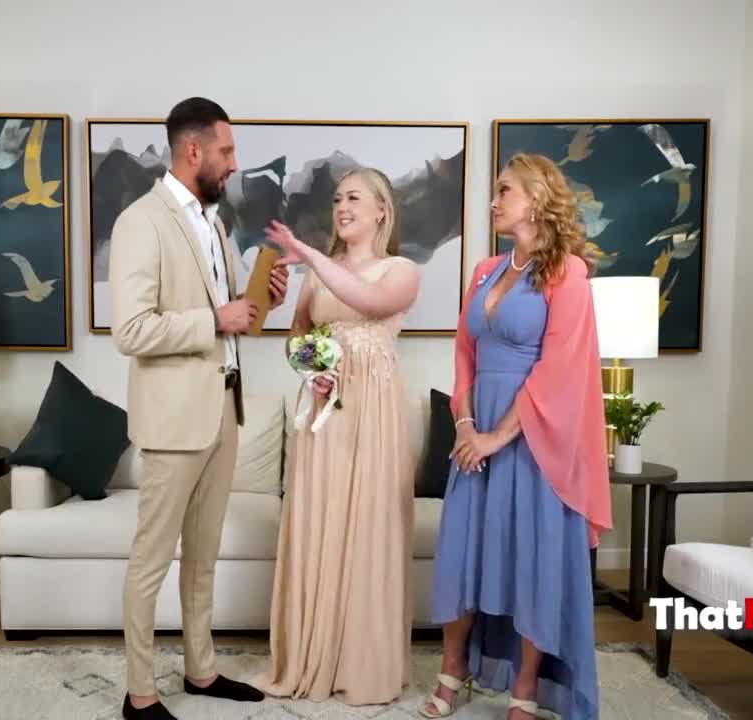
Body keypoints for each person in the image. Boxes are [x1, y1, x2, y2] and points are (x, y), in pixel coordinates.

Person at [109, 96, 290, 720]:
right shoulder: (141, 222)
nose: (234, 163)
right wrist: (216, 317)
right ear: (194, 151)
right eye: (227, 151)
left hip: (222, 411)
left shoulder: (214, 224)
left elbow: (232, 321)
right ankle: (139, 694)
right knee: (151, 560)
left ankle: (201, 671)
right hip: (172, 423)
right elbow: (131, 330)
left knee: (203, 557)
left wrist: (259, 300)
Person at [421, 153, 611, 720]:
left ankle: (525, 687)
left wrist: (495, 438)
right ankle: (452, 668)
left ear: (537, 198)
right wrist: (464, 425)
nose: (494, 200)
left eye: (505, 190)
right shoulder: (485, 270)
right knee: (461, 554)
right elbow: (465, 352)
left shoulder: (568, 273)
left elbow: (557, 370)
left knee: (531, 560)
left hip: (535, 442)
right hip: (474, 431)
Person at [252, 167, 421, 706]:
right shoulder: (317, 275)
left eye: (354, 198)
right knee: (318, 520)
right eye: (336, 199)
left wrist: (308, 253)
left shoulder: (401, 270)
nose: (342, 207)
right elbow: (297, 336)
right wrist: (310, 368)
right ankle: (312, 653)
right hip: (323, 413)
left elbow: (368, 303)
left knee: (369, 524)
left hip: (373, 413)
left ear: (381, 210)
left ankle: (361, 663)